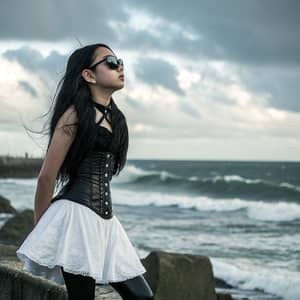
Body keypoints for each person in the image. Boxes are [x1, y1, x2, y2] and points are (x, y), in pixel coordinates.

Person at [16, 43, 154, 300]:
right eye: (111, 62)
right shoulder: (73, 116)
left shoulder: (118, 119)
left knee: (142, 296)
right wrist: (42, 229)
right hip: (75, 217)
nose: (120, 66)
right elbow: (47, 176)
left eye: (120, 61)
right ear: (88, 75)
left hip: (106, 222)